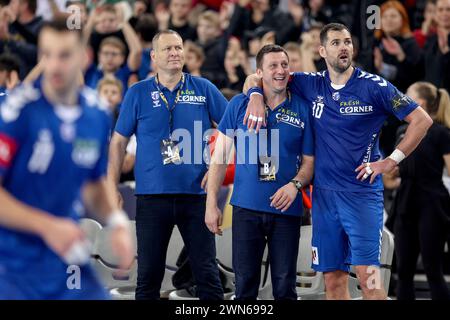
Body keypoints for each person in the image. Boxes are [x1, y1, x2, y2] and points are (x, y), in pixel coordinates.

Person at [243, 22, 433, 300]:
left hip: (361, 196)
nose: (343, 47)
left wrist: (390, 161)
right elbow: (256, 77)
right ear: (322, 50)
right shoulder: (310, 83)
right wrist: (256, 96)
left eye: (347, 42)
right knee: (332, 282)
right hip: (324, 199)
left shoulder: (374, 87)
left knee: (369, 282)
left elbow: (422, 120)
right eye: (335, 43)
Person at [0, 18, 134, 299]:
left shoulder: (96, 114)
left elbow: (94, 186)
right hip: (14, 264)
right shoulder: (17, 113)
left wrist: (118, 223)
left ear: (84, 57)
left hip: (67, 259)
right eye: (46, 55)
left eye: (64, 55)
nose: (54, 65)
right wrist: (47, 226)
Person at [108, 29, 227, 300]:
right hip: (152, 197)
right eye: (168, 49)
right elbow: (118, 143)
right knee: (148, 277)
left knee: (207, 275)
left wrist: (216, 169)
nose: (175, 53)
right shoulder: (137, 93)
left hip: (196, 196)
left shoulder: (204, 88)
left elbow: (234, 130)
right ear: (153, 57)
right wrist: (110, 185)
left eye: (178, 47)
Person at [206, 44, 314, 300]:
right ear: (259, 72)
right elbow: (219, 158)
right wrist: (211, 203)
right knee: (244, 287)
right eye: (273, 66)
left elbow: (310, 163)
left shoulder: (302, 109)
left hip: (286, 210)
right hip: (245, 208)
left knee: (285, 286)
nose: (280, 71)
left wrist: (295, 185)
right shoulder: (238, 105)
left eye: (284, 65)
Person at [389, 82, 450, 300]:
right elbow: (394, 173)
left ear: (420, 103)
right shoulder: (402, 130)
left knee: (433, 269)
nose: (403, 98)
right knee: (403, 271)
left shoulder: (441, 133)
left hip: (432, 203)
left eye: (407, 95)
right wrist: (389, 173)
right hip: (406, 200)